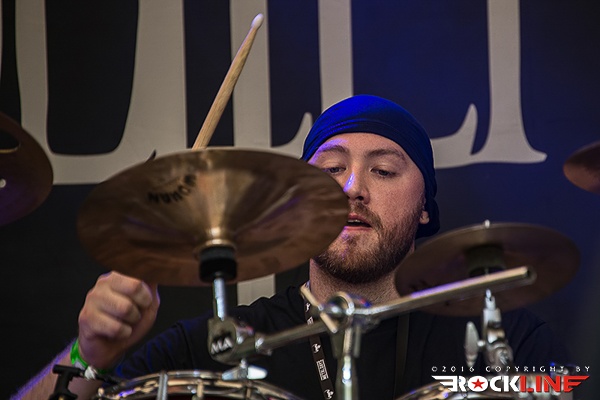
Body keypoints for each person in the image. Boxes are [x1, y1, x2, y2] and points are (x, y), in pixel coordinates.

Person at [13, 95, 568, 400]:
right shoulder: (211, 348)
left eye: (383, 170)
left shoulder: (504, 336)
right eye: (330, 170)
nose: (353, 189)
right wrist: (90, 354)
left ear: (425, 206)